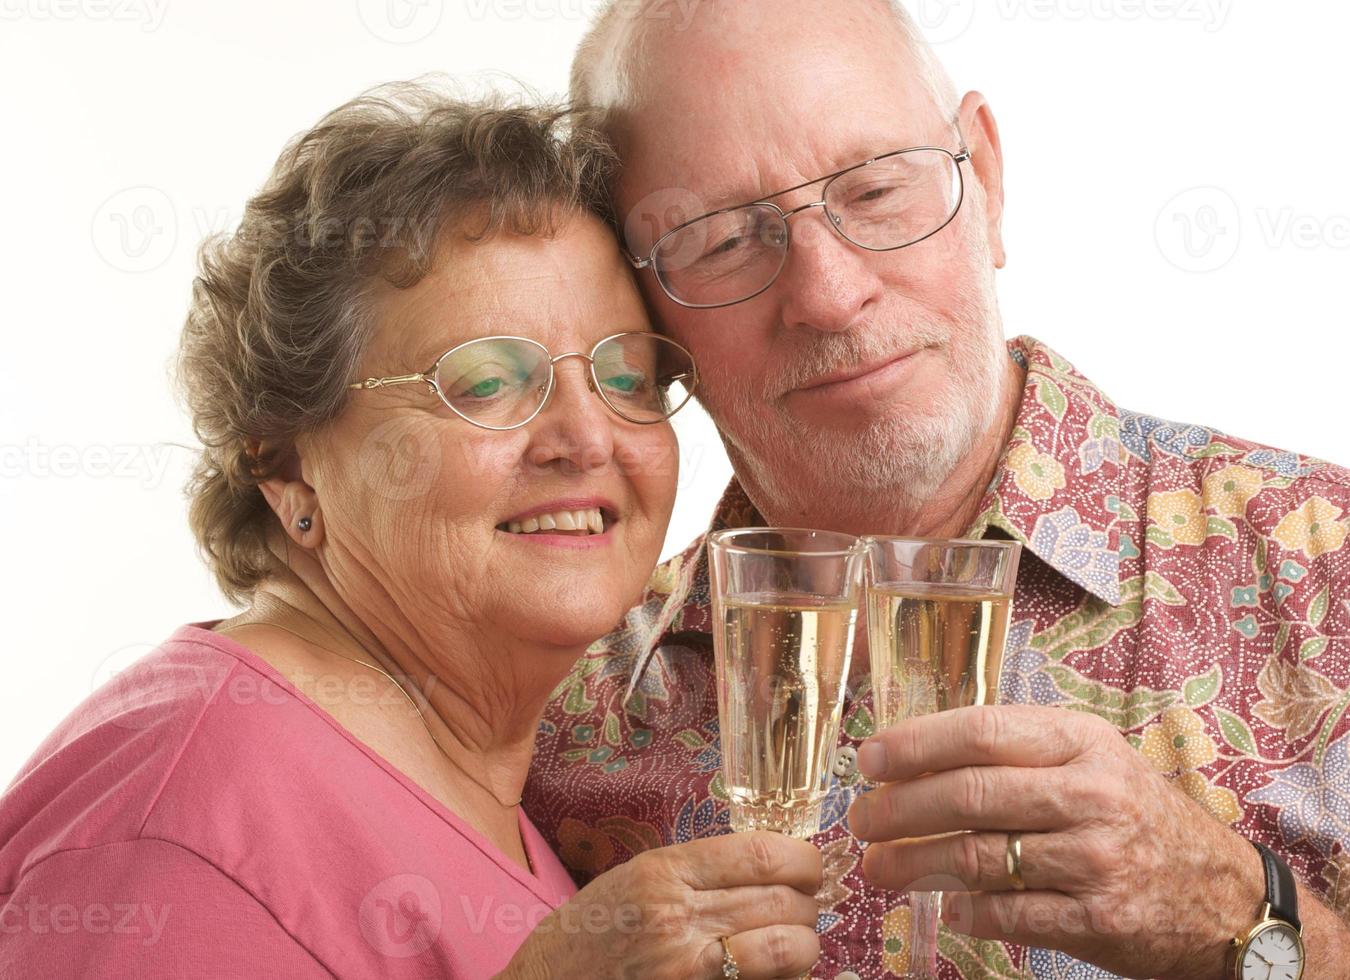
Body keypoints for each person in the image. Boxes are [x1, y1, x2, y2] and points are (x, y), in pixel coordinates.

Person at [520, 2, 1350, 977]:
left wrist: (1244, 921)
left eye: (876, 189)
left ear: (986, 176)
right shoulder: (561, 716)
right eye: (720, 238)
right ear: (640, 303)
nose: (828, 292)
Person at [0, 83, 824, 979]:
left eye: (626, 379)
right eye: (484, 382)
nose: (589, 438)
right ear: (286, 465)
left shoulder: (486, 785)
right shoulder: (184, 822)